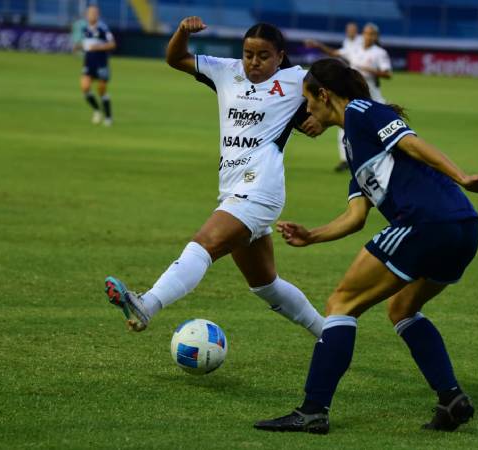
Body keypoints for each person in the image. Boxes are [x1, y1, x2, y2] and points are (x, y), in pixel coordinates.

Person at [254, 58, 478, 434]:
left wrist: (462, 176)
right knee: (403, 307)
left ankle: (313, 410)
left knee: (341, 304)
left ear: (324, 94)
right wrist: (312, 236)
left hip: (426, 221)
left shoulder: (361, 111)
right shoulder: (355, 144)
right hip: (462, 229)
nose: (306, 110)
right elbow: (355, 216)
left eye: (308, 100)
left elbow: (411, 142)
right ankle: (451, 398)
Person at [103, 17, 327, 339]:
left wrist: (322, 120)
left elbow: (343, 103)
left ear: (280, 56)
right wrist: (181, 32)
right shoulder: (226, 71)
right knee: (266, 286)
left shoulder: (298, 80)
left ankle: (147, 304)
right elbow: (175, 58)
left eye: (263, 56)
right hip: (233, 189)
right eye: (248, 54)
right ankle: (330, 332)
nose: (254, 62)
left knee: (204, 244)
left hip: (261, 187)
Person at [306, 23, 391, 172]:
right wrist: (318, 45)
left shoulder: (380, 53)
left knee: (380, 130)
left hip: (374, 98)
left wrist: (370, 70)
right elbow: (335, 53)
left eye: (371, 34)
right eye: (366, 33)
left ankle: (385, 157)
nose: (368, 36)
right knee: (344, 127)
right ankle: (346, 160)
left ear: (376, 36)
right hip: (355, 97)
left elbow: (387, 74)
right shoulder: (354, 49)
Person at [76, 5, 116, 126]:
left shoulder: (103, 28)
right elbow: (85, 45)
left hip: (101, 63)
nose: (92, 15)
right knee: (85, 87)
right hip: (88, 63)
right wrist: (79, 47)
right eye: (90, 13)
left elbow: (112, 44)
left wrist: (98, 47)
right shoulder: (85, 29)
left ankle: (108, 117)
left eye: (94, 13)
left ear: (97, 15)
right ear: (87, 15)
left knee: (101, 90)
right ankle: (97, 110)